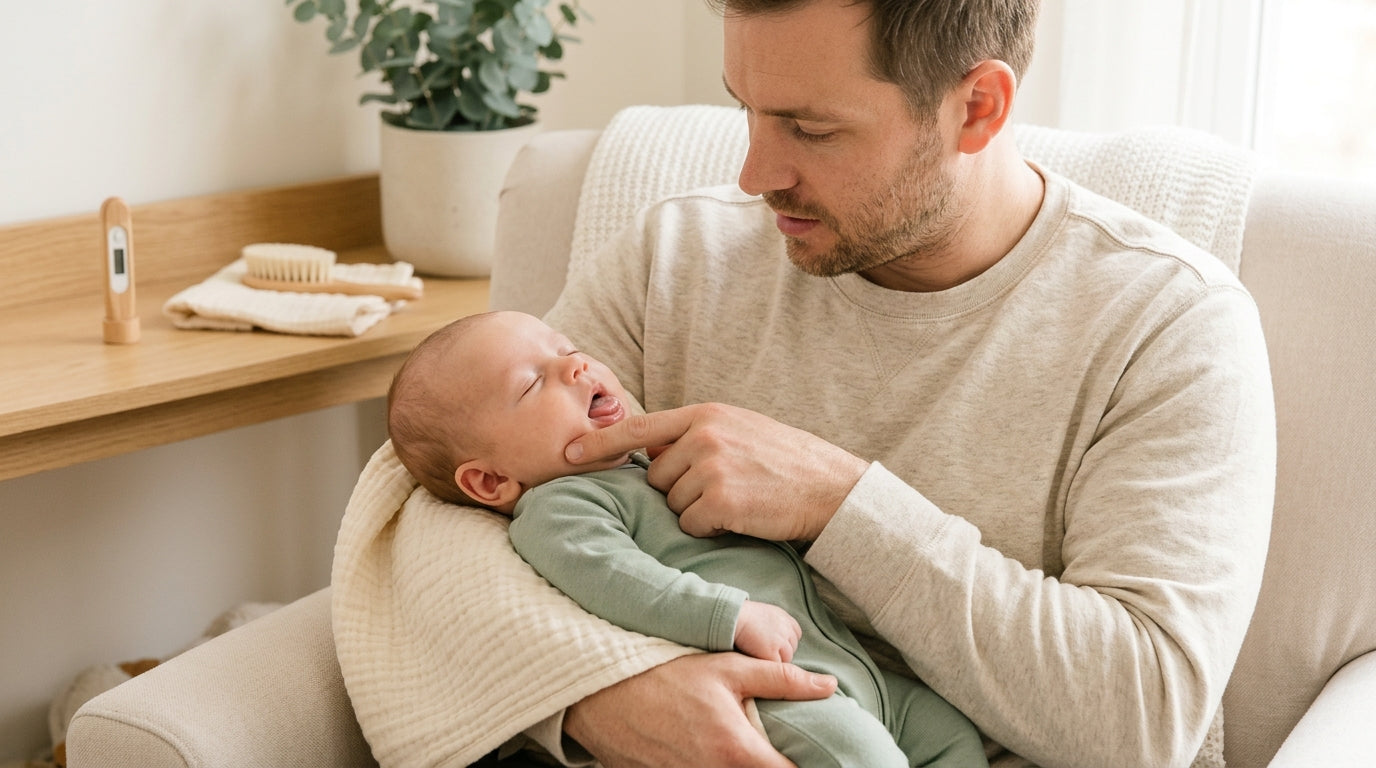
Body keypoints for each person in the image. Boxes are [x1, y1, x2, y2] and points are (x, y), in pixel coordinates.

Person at [509, 1, 1277, 767]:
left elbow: (1142, 720)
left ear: (978, 108)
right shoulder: (675, 257)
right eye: (745, 110)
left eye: (812, 130)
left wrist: (840, 502)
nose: (755, 175)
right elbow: (426, 516)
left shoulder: (1169, 326)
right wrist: (599, 700)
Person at [386, 309, 990, 768]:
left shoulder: (646, 461)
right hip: (771, 689)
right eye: (531, 384)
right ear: (490, 480)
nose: (577, 367)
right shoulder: (560, 507)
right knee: (864, 757)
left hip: (855, 670)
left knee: (953, 738)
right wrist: (725, 616)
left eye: (570, 351)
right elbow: (617, 580)